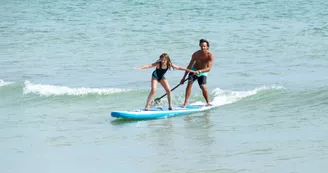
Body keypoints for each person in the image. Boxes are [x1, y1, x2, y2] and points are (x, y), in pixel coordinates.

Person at [180, 39, 214, 107]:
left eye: (204, 46)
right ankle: (186, 102)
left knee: (202, 86)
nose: (202, 48)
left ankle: (208, 102)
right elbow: (189, 66)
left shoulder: (210, 55)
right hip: (194, 70)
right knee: (189, 83)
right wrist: (183, 78)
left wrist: (200, 71)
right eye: (201, 46)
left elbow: (209, 69)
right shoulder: (195, 54)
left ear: (207, 47)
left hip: (203, 72)